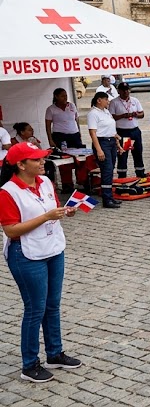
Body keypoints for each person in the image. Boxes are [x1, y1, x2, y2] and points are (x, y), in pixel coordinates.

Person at [0, 142, 82, 383]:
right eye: (36, 159)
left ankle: (54, 353)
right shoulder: (7, 192)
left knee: (52, 305)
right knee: (35, 309)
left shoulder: (45, 182)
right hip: (26, 254)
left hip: (53, 248)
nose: (42, 162)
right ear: (21, 164)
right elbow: (11, 230)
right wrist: (45, 216)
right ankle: (29, 364)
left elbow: (53, 208)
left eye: (42, 158)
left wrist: (64, 212)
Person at [86, 92, 121, 209]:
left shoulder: (106, 111)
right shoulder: (93, 113)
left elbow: (111, 129)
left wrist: (118, 143)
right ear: (99, 100)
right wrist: (99, 150)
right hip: (102, 143)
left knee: (110, 170)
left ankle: (110, 196)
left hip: (111, 141)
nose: (108, 101)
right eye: (106, 99)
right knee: (106, 170)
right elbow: (93, 133)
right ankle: (107, 199)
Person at [109, 83, 146, 179]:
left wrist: (135, 114)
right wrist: (123, 116)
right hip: (123, 132)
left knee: (138, 153)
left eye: (127, 90)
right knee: (123, 155)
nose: (126, 92)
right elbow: (111, 117)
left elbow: (142, 114)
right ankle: (122, 177)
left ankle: (140, 174)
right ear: (119, 91)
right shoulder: (114, 102)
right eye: (123, 90)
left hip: (134, 131)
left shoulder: (134, 100)